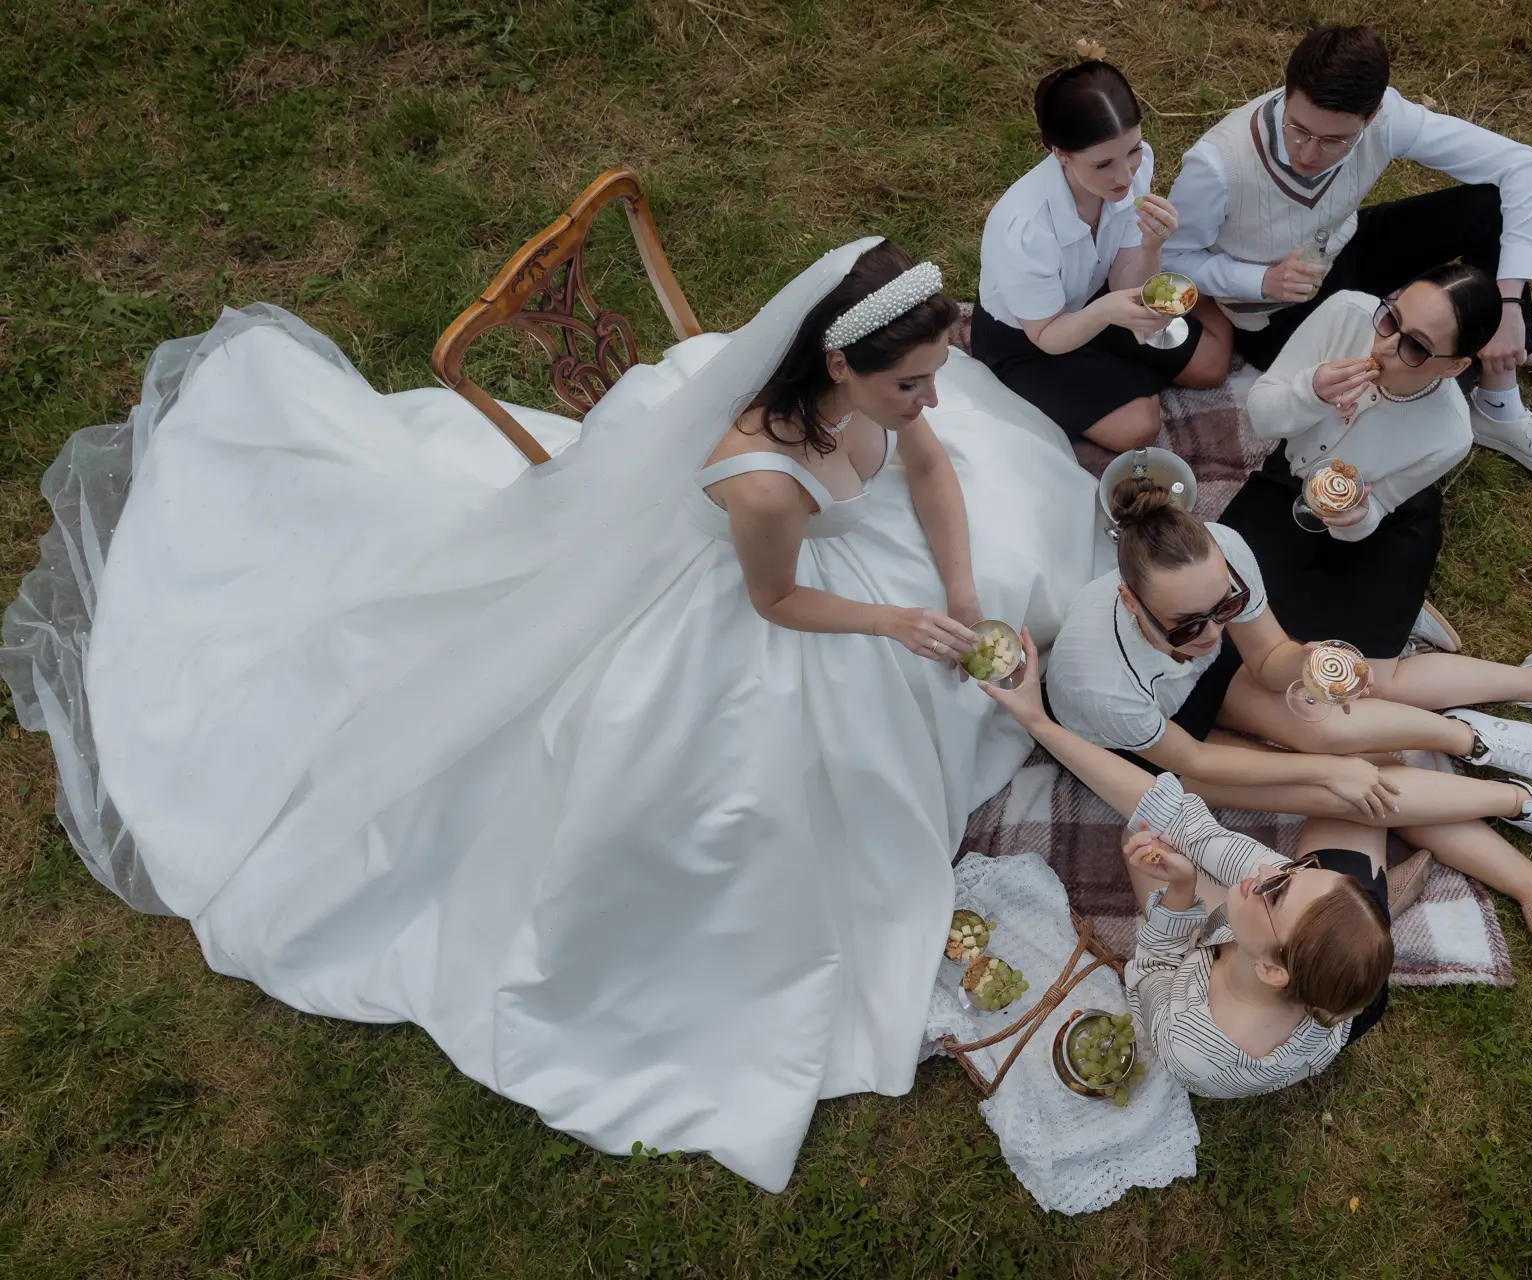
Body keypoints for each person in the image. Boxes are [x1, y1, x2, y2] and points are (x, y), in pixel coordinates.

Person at [0, 239, 1107, 1193]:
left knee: (1006, 564)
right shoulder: (764, 481)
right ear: (837, 364)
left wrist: (962, 596)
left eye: (932, 376)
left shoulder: (884, 402)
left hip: (857, 564)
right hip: (754, 602)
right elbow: (772, 601)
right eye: (910, 383)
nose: (930, 400)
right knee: (755, 787)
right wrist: (893, 622)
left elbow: (930, 468)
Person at [981, 632, 1532, 1096]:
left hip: (1235, 949)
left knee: (1163, 841)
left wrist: (1177, 899)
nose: (1270, 866)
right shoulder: (1280, 899)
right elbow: (1180, 813)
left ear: (1272, 967)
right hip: (1332, 971)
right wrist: (1039, 722)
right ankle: (1508, 828)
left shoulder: (1191, 1045)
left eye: (1281, 884)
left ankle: (1492, 827)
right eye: (1297, 871)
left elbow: (1151, 970)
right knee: (1360, 784)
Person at [1044, 475, 1532, 859]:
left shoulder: (1222, 551)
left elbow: (1267, 657)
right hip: (1143, 746)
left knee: (1326, 722)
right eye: (1188, 623)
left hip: (1190, 683)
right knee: (1340, 790)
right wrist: (1326, 773)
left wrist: (1310, 661)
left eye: (1226, 606)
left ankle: (1470, 738)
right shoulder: (1099, 685)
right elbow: (1192, 760)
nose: (1216, 632)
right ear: (1130, 601)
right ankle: (1518, 802)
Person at [1162, 23, 1532, 483]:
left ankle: (1498, 385)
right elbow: (1171, 259)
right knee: (1385, 367)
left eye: (1334, 141)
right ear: (1286, 94)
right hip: (1275, 314)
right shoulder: (1218, 163)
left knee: (1489, 207)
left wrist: (1508, 303)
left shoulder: (1389, 118)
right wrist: (1262, 281)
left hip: (1344, 251)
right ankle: (1478, 349)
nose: (1308, 153)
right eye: (1298, 129)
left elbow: (1527, 168)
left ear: (1372, 117)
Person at [1221, 263, 1532, 741]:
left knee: (1366, 680)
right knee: (1232, 619)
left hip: (1385, 530)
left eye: (1415, 346)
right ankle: (1401, 613)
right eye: (1391, 318)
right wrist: (1311, 391)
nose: (1385, 345)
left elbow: (1377, 512)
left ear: (1454, 366)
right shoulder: (1347, 314)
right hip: (1287, 486)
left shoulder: (1449, 432)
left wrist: (1353, 519)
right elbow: (1263, 416)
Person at [973, 60, 1232, 449]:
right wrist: (1107, 312)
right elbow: (1047, 334)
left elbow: (1125, 281)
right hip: (1030, 338)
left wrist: (1150, 246)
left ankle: (1126, 361)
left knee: (1211, 365)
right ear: (1060, 154)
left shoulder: (1130, 172)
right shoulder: (1025, 231)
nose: (1125, 177)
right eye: (1103, 164)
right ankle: (1122, 371)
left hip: (1099, 295)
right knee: (1138, 426)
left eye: (1132, 150)